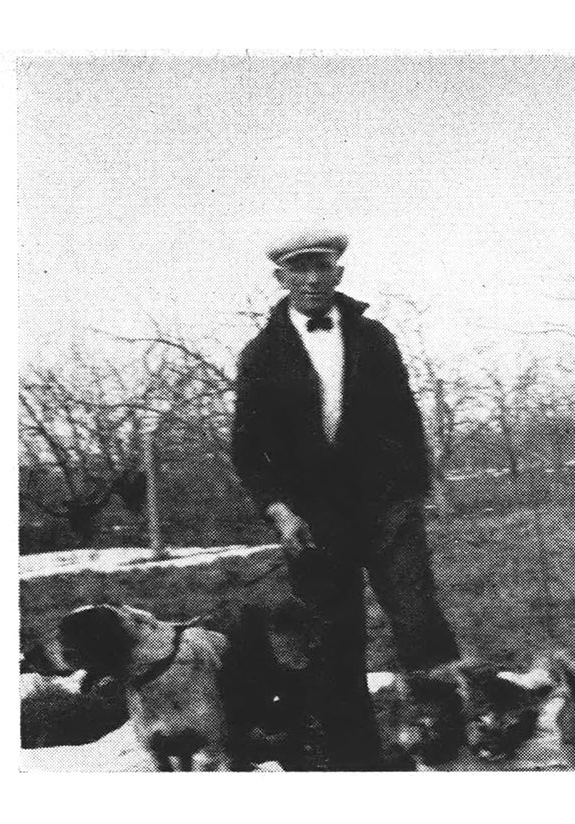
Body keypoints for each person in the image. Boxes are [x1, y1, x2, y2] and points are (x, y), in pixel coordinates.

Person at [231, 231, 459, 769]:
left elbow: (404, 417)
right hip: (314, 519)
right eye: (299, 269)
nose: (311, 278)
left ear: (338, 273)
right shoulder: (261, 355)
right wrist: (279, 510)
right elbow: (247, 450)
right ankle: (355, 762)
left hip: (387, 505)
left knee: (418, 618)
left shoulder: (375, 337)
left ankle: (447, 736)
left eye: (321, 267)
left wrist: (423, 485)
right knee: (334, 638)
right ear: (280, 278)